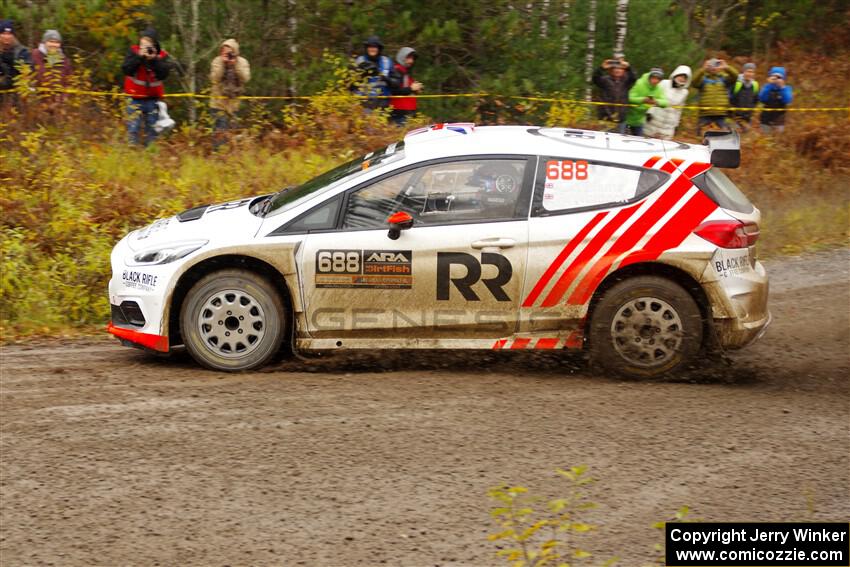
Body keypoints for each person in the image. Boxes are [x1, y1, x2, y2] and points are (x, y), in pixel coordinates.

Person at [121, 28, 170, 146]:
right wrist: (139, 58)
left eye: (148, 44)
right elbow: (126, 69)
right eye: (143, 44)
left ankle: (150, 154)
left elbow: (163, 74)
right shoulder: (133, 52)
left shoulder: (161, 56)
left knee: (152, 130)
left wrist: (153, 60)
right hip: (134, 97)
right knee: (133, 128)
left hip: (153, 99)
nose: (145, 47)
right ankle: (132, 154)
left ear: (155, 45)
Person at [210, 38, 250, 148]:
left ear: (235, 51)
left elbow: (246, 78)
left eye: (229, 51)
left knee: (233, 130)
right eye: (223, 50)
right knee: (219, 129)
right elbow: (214, 78)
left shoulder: (242, 62)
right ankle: (218, 154)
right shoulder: (217, 61)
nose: (226, 53)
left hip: (234, 103)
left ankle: (230, 155)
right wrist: (223, 64)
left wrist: (235, 65)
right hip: (218, 103)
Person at [644, 65, 692, 140]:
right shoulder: (664, 83)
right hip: (654, 119)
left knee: (663, 149)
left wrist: (676, 124)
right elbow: (654, 97)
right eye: (681, 76)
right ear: (676, 74)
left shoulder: (685, 92)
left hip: (668, 126)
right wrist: (649, 112)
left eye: (685, 78)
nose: (682, 79)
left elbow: (679, 109)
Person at [692, 57, 738, 135]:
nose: (713, 67)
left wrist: (727, 67)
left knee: (725, 135)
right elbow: (693, 82)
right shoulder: (703, 79)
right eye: (711, 65)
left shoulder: (724, 79)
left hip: (721, 115)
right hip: (705, 115)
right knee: (701, 136)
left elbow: (735, 76)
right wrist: (703, 69)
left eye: (716, 65)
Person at [592, 56, 636, 133]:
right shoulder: (604, 80)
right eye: (615, 68)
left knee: (617, 142)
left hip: (621, 119)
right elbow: (595, 78)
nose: (617, 70)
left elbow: (633, 78)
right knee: (602, 140)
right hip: (605, 118)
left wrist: (629, 67)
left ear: (623, 71)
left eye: (620, 68)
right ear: (611, 70)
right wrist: (601, 68)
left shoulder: (626, 81)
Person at [30, 29, 73, 104]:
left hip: (58, 107)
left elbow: (69, 83)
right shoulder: (33, 55)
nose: (54, 45)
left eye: (57, 42)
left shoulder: (65, 61)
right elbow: (26, 77)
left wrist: (62, 99)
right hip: (36, 106)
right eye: (51, 41)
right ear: (44, 42)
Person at [352, 35, 393, 110]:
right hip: (364, 102)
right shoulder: (359, 61)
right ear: (366, 48)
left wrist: (385, 78)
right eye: (370, 46)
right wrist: (362, 75)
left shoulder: (387, 61)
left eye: (375, 47)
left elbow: (396, 83)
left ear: (379, 48)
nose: (372, 49)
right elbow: (350, 84)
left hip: (382, 102)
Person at [625, 68, 668, 137]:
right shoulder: (639, 83)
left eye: (658, 79)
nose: (655, 81)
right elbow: (629, 98)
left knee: (639, 142)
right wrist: (643, 100)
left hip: (639, 120)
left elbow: (665, 103)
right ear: (649, 77)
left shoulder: (658, 88)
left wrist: (656, 101)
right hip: (626, 117)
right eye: (653, 78)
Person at [387, 46, 422, 125]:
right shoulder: (396, 71)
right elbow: (394, 91)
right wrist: (411, 88)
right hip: (399, 113)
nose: (411, 61)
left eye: (412, 59)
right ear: (402, 57)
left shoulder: (406, 73)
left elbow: (406, 90)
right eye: (408, 58)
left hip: (409, 112)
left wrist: (416, 90)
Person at [0, 19, 32, 96]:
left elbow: (30, 71)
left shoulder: (22, 52)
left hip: (17, 96)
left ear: (13, 35)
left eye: (9, 34)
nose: (7, 37)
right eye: (4, 33)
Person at [759, 66, 793, 134]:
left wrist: (782, 88)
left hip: (779, 120)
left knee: (778, 139)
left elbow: (787, 100)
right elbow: (761, 98)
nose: (776, 79)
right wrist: (769, 85)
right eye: (774, 77)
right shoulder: (767, 87)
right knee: (765, 139)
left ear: (783, 78)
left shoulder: (786, 88)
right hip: (766, 119)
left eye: (779, 77)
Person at [729, 62, 759, 131]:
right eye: (748, 71)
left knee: (745, 138)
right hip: (735, 117)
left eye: (752, 72)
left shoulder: (755, 85)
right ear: (744, 72)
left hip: (748, 118)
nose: (750, 74)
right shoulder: (736, 83)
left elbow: (756, 100)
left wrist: (751, 110)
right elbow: (730, 98)